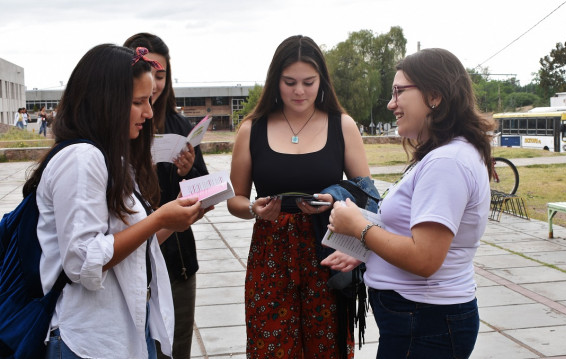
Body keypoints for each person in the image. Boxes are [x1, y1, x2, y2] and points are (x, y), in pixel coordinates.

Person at [30, 44, 209, 359]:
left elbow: (131, 245)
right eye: (139, 102)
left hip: (122, 335)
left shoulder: (111, 157)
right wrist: (158, 219)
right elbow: (83, 261)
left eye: (149, 100)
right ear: (106, 103)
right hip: (88, 341)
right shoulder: (82, 159)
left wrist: (172, 220)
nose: (149, 113)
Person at [322, 48, 496, 358]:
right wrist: (367, 251)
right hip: (423, 318)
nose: (391, 104)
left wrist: (359, 228)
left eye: (399, 92)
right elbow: (415, 236)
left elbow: (424, 259)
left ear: (434, 95)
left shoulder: (447, 162)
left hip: (425, 322)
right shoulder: (446, 154)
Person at [227, 35, 371, 358]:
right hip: (270, 254)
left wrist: (334, 201)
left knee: (328, 349)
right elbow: (234, 199)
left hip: (327, 250)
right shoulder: (252, 128)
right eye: (289, 82)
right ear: (275, 81)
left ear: (322, 81)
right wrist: (253, 208)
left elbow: (367, 197)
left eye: (309, 82)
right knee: (271, 349)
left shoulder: (342, 125)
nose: (299, 91)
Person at [124, 32, 209, 359]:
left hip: (177, 262)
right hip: (129, 262)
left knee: (174, 351)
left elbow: (203, 191)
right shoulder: (115, 129)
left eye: (161, 76)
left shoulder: (179, 124)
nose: (154, 85)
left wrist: (189, 171)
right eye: (149, 74)